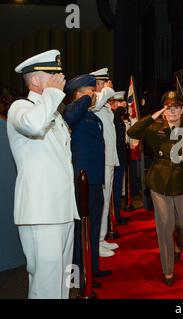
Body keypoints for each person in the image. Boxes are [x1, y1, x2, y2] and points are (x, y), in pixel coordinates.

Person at [7, 50, 79, 298]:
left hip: (62, 210)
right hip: (41, 212)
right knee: (46, 286)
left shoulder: (54, 113)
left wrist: (52, 97)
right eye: (54, 74)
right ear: (36, 81)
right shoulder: (21, 107)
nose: (61, 78)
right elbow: (33, 125)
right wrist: (51, 95)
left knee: (61, 283)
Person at [127, 91, 183, 286]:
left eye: (176, 108)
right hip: (159, 183)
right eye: (169, 108)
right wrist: (153, 115)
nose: (173, 111)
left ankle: (179, 244)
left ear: (182, 110)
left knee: (181, 224)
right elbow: (132, 132)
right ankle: (168, 270)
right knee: (165, 225)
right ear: (164, 112)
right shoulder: (154, 128)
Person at [63, 74, 113, 281]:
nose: (94, 95)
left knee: (91, 227)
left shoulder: (91, 114)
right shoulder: (73, 111)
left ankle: (92, 269)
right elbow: (70, 116)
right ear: (78, 94)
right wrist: (85, 98)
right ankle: (77, 276)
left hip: (94, 179)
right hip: (82, 180)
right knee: (79, 229)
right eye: (90, 91)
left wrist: (89, 98)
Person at [89, 68, 119, 257]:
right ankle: (96, 242)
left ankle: (100, 238)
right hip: (102, 160)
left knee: (106, 200)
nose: (108, 86)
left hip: (109, 159)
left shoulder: (104, 105)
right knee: (100, 201)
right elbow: (98, 102)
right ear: (98, 84)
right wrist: (107, 90)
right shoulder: (93, 101)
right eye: (105, 83)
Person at [109, 91, 130, 225]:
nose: (119, 104)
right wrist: (121, 108)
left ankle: (116, 215)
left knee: (117, 189)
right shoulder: (109, 115)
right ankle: (113, 217)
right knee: (113, 189)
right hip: (113, 158)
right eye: (116, 102)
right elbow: (114, 119)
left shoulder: (119, 116)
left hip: (120, 157)